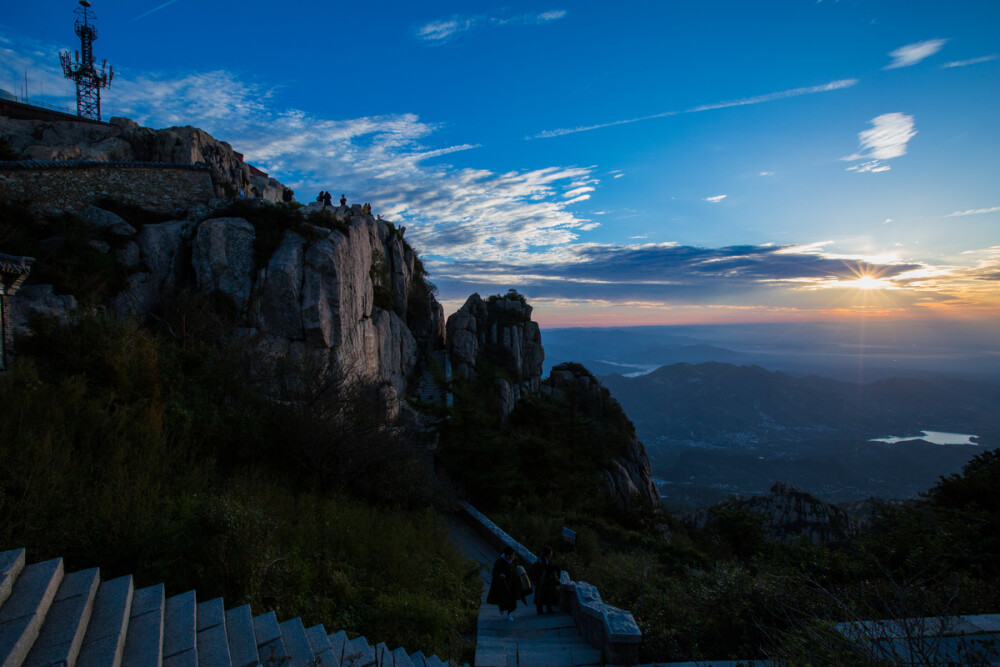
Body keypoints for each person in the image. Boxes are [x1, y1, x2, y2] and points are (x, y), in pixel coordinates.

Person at [487, 546, 517, 621]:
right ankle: (503, 609)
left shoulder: (513, 560)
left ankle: (509, 614)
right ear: (507, 556)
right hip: (502, 585)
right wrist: (500, 575)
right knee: (503, 600)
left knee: (511, 600)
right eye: (512, 555)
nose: (513, 556)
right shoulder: (499, 562)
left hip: (511, 583)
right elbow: (494, 572)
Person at [530, 546, 561, 614]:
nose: (551, 555)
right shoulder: (540, 562)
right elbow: (536, 572)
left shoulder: (549, 561)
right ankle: (539, 609)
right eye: (550, 554)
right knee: (540, 596)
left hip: (548, 582)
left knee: (550, 594)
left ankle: (548, 607)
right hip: (541, 582)